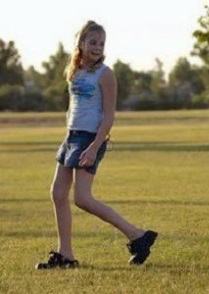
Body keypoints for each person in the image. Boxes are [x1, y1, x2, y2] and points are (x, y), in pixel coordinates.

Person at [36, 21, 157, 269]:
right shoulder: (75, 70)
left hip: (90, 138)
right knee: (57, 194)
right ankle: (66, 255)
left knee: (82, 198)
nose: (97, 47)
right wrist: (68, 134)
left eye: (101, 43)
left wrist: (93, 146)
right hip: (71, 137)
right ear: (81, 43)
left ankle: (137, 236)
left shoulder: (106, 74)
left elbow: (109, 116)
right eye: (92, 42)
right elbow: (73, 106)